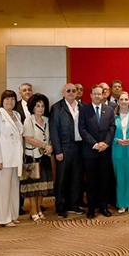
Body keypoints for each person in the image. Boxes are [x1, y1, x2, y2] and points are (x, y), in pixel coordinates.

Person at [79, 85, 116, 218]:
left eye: (99, 94)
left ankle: (103, 207)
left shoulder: (109, 110)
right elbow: (82, 129)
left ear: (103, 95)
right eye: (94, 93)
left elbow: (112, 127)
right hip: (90, 151)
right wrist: (94, 144)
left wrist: (106, 143)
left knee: (105, 180)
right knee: (91, 181)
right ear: (90, 95)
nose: (97, 96)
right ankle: (91, 208)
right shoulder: (84, 110)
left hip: (105, 151)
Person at [50, 83, 85, 218]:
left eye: (73, 90)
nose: (71, 93)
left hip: (79, 147)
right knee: (62, 179)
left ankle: (73, 204)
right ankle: (60, 206)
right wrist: (58, 151)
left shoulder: (82, 107)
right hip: (64, 147)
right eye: (68, 90)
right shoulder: (57, 108)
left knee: (76, 178)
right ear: (63, 92)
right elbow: (54, 130)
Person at [0, 90, 23, 227]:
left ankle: (13, 215)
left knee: (14, 188)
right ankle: (4, 218)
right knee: (3, 190)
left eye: (12, 99)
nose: (10, 101)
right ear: (2, 101)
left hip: (16, 157)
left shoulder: (17, 115)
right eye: (7, 99)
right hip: (3, 158)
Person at [22, 93, 54, 222]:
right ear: (32, 107)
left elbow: (50, 137)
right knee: (33, 187)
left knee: (42, 186)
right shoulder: (28, 120)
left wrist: (49, 146)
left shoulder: (47, 120)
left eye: (42, 106)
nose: (40, 108)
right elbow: (29, 139)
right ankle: (33, 210)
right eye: (38, 106)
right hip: (32, 157)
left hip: (44, 156)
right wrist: (45, 145)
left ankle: (39, 209)